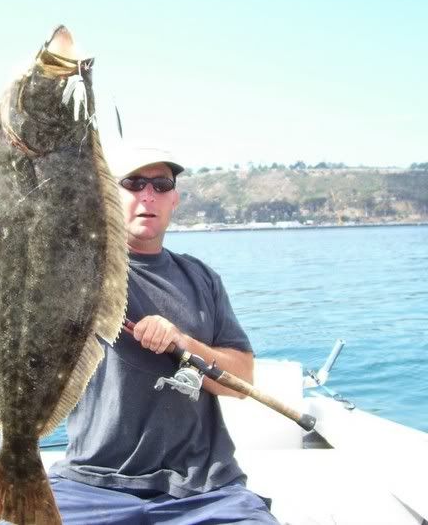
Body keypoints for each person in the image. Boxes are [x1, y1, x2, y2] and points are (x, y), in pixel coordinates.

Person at [48, 145, 278, 524]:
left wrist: (181, 342)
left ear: (175, 199)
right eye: (133, 183)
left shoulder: (202, 279)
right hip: (89, 483)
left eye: (160, 185)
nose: (148, 195)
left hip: (204, 490)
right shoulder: (75, 272)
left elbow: (241, 381)